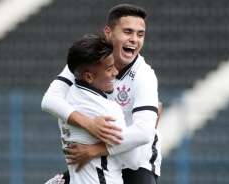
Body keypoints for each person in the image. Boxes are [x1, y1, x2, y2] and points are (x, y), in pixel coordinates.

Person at [42, 4, 162, 184]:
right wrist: (89, 124)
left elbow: (144, 134)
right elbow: (50, 100)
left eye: (140, 34)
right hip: (99, 157)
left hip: (135, 159)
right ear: (108, 32)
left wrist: (96, 149)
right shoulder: (87, 60)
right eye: (128, 31)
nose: (135, 40)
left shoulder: (144, 76)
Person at [57, 33, 143, 183]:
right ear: (88, 77)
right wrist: (149, 127)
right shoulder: (107, 109)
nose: (116, 72)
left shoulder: (64, 101)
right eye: (109, 69)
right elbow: (134, 162)